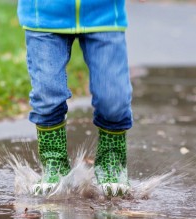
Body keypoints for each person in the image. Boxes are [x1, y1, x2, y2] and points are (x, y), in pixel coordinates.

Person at [17, 0, 133, 196]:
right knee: (47, 93)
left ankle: (111, 161)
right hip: (44, 14)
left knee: (113, 98)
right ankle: (54, 162)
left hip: (103, 13)